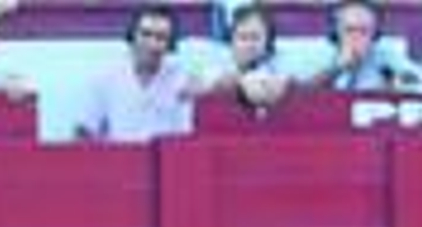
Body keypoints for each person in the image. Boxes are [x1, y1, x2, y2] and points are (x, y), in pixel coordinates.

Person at [74, 3, 196, 143]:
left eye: (160, 37)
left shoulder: (181, 78)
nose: (152, 43)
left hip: (168, 160)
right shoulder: (105, 78)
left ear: (170, 44)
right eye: (146, 34)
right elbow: (83, 131)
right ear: (132, 35)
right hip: (120, 160)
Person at [308, 0, 422, 93]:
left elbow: (419, 84)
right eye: (350, 30)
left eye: (363, 31)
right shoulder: (319, 53)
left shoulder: (386, 55)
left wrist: (395, 84)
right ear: (336, 33)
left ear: (375, 35)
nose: (356, 37)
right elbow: (300, 94)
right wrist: (336, 69)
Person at [200, 3, 292, 112]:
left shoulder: (278, 62)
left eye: (255, 38)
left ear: (268, 40)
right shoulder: (217, 62)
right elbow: (206, 87)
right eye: (242, 38)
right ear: (231, 39)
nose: (249, 45)